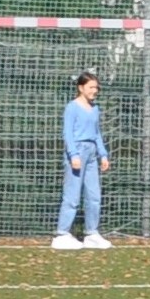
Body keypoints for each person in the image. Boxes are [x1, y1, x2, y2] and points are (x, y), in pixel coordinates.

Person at [51, 72, 112, 250]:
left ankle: (91, 233)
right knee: (72, 195)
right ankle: (62, 234)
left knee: (94, 195)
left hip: (92, 153)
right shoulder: (72, 107)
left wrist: (103, 154)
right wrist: (73, 155)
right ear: (81, 88)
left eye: (96, 87)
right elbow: (68, 133)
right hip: (77, 152)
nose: (95, 91)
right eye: (91, 87)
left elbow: (96, 133)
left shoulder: (95, 109)